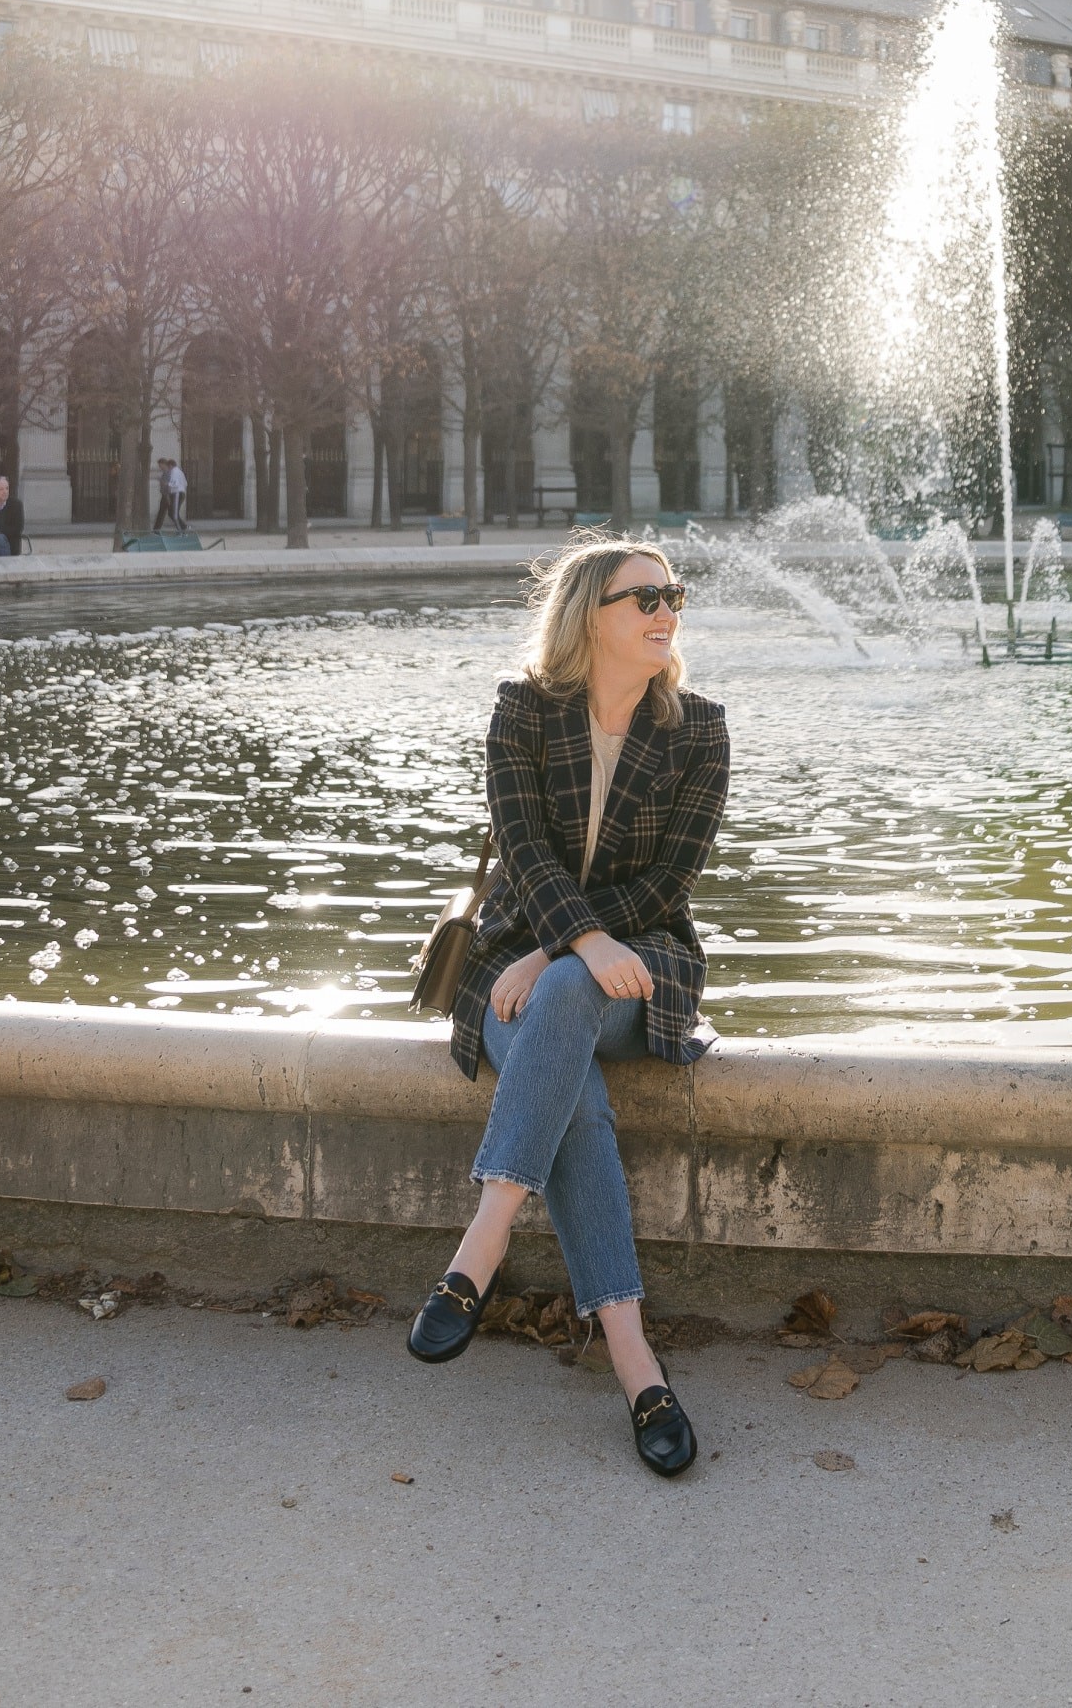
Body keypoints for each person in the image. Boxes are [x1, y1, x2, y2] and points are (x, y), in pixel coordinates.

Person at [408, 539, 729, 1478]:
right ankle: (637, 1365)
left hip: (640, 966)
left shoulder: (699, 727)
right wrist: (559, 952)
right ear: (591, 613)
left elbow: (673, 881)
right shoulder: (523, 711)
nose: (666, 610)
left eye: (673, 595)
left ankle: (484, 1238)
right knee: (575, 1099)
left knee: (567, 989)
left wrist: (566, 949)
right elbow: (524, 848)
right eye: (644, 598)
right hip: (516, 965)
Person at [155, 457, 187, 532]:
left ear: (167, 465)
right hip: (171, 494)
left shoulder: (172, 472)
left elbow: (173, 483)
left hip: (172, 493)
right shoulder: (176, 471)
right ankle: (156, 529)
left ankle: (182, 529)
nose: (160, 467)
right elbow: (185, 483)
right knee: (168, 513)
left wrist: (167, 486)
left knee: (173, 514)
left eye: (160, 465)